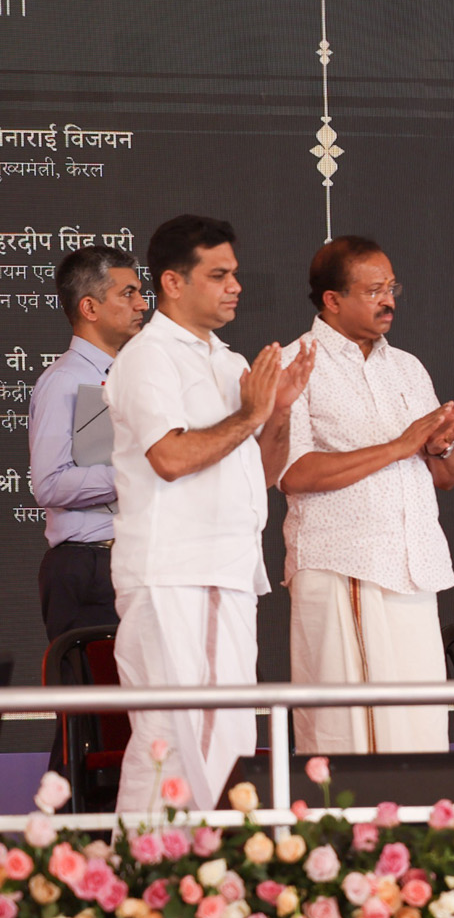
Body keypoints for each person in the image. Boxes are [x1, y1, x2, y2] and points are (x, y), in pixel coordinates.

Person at [106, 215, 314, 813]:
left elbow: (262, 473)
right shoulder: (148, 358)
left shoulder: (229, 361)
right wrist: (250, 415)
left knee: (225, 740)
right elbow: (170, 457)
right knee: (174, 743)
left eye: (235, 274)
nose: (235, 286)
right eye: (219, 275)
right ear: (173, 282)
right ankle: (155, 866)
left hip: (228, 571)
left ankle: (197, 865)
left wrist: (277, 413)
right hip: (174, 572)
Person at [280, 236, 454, 754]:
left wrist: (437, 447)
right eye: (373, 291)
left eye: (391, 288)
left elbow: (447, 476)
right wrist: (401, 446)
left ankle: (419, 813)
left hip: (415, 568)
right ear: (332, 299)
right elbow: (293, 472)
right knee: (352, 737)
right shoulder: (294, 364)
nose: (388, 300)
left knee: (421, 729)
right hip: (345, 565)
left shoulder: (408, 367)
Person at [29, 246, 146, 642]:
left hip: (136, 560)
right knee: (95, 683)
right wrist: (137, 472)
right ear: (90, 308)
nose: (142, 304)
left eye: (139, 292)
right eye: (127, 293)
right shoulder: (63, 380)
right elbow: (49, 484)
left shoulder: (131, 375)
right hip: (90, 567)